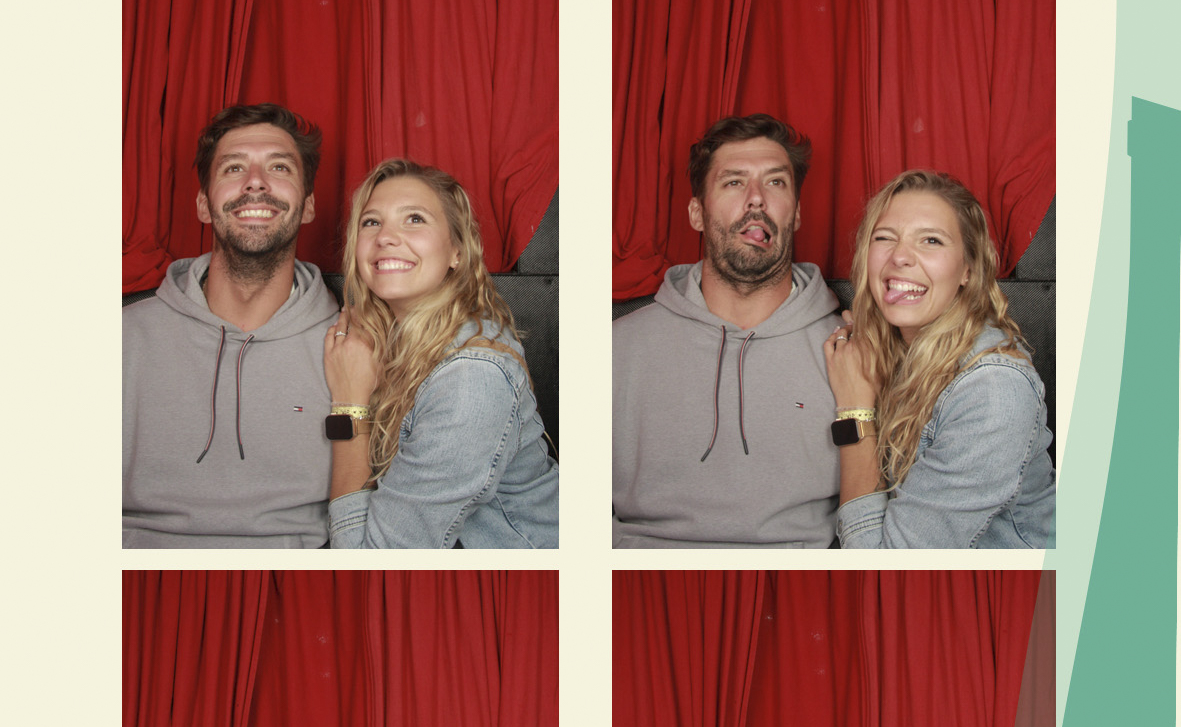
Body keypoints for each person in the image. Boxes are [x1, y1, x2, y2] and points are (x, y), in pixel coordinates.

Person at [612, 113, 844, 549]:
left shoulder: (850, 350)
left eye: (775, 182)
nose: (756, 199)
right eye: (734, 182)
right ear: (696, 213)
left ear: (796, 213)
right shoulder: (614, 350)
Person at [123, 103, 341, 549]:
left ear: (308, 206)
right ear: (204, 205)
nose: (255, 182)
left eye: (279, 167)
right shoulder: (119, 340)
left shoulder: (353, 347)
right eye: (234, 167)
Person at [322, 159, 559, 549]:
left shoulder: (471, 377)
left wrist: (348, 407)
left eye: (414, 219)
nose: (386, 237)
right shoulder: (373, 341)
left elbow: (371, 559)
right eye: (371, 222)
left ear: (457, 252)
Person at [824, 170, 1056, 549]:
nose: (900, 257)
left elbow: (885, 564)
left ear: (968, 269)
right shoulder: (884, 349)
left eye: (931, 240)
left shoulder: (993, 389)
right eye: (885, 237)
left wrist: (855, 413)